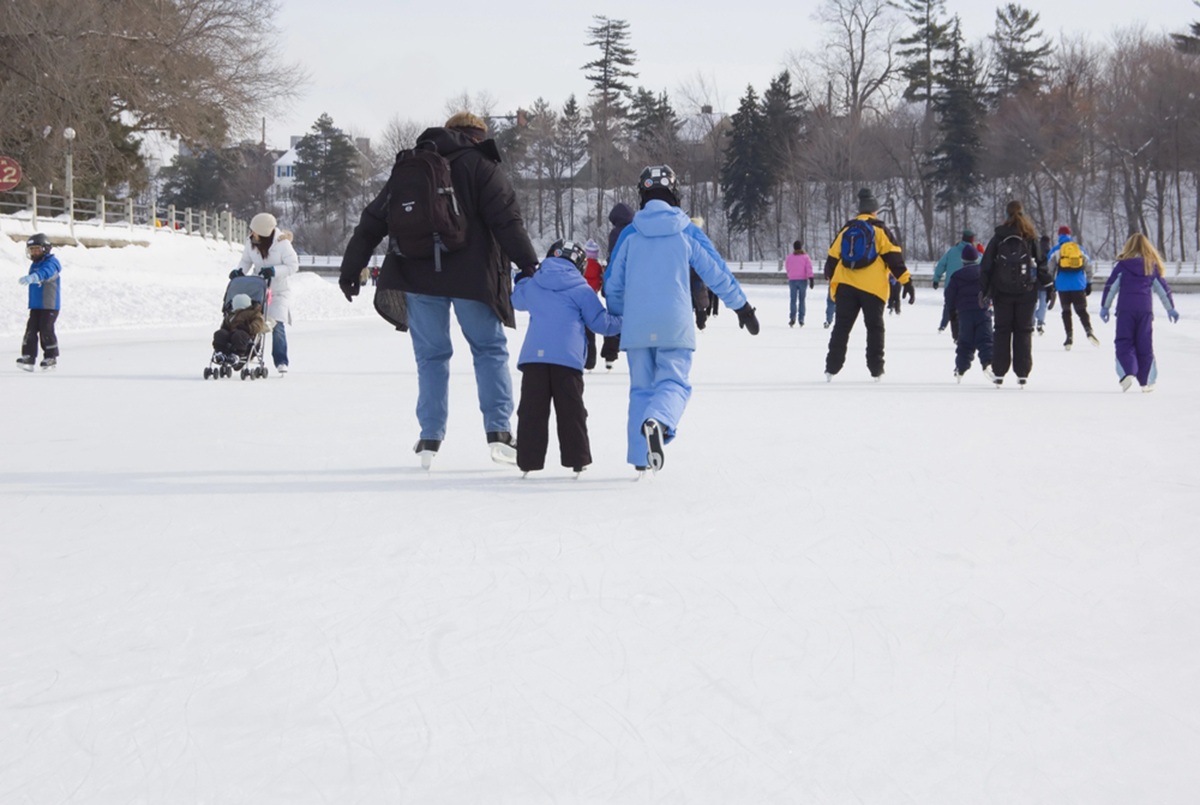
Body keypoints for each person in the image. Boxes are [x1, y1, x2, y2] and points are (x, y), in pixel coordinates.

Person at [338, 111, 540, 467]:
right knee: (489, 350)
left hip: (417, 275)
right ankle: (499, 433)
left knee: (431, 357)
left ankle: (429, 437)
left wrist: (351, 267)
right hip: (471, 278)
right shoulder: (481, 166)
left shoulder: (413, 165)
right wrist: (528, 264)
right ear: (478, 135)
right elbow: (506, 220)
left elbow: (372, 221)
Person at [605, 164, 760, 474]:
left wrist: (622, 314)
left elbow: (613, 284)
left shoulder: (629, 234)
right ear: (674, 193)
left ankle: (640, 459)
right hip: (673, 323)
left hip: (637, 326)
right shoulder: (687, 230)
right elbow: (716, 272)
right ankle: (659, 422)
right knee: (674, 382)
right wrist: (741, 306)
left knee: (640, 390)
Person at [512, 240, 622, 475]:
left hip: (534, 359)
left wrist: (521, 280)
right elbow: (601, 323)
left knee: (532, 411)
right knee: (571, 410)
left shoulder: (534, 285)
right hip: (567, 360)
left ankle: (528, 461)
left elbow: (517, 301)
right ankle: (577, 459)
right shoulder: (581, 290)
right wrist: (627, 319)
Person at [823, 187, 914, 381]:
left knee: (841, 328)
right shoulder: (880, 230)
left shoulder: (847, 229)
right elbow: (894, 259)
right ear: (874, 211)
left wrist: (830, 278)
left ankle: (831, 368)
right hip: (872, 289)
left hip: (846, 286)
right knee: (874, 328)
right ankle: (876, 370)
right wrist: (906, 281)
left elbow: (832, 257)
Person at [978, 200, 1053, 387]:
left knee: (1002, 331)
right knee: (1024, 330)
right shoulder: (1030, 237)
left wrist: (984, 290)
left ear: (1006, 213)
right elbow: (1042, 265)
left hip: (1001, 292)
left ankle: (999, 372)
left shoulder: (998, 237)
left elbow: (986, 265)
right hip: (1027, 292)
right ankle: (1022, 372)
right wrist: (1049, 286)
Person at [1098, 233, 1180, 392]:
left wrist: (1105, 307)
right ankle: (1147, 380)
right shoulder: (1151, 266)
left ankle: (1127, 372)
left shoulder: (1122, 266)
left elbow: (1111, 287)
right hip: (1145, 310)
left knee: (1124, 341)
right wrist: (1170, 308)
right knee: (1145, 344)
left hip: (1125, 310)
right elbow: (1163, 289)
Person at [230, 212, 299, 374]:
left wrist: (274, 270)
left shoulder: (282, 244)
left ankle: (281, 360)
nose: (252, 233)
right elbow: (246, 261)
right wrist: (239, 272)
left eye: (255, 231)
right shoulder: (251, 242)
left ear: (264, 233)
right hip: (258, 288)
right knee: (251, 320)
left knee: (276, 324)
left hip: (278, 292)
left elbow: (293, 266)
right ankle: (250, 351)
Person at [939, 244, 994, 383]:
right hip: (983, 312)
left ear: (963, 260)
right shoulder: (984, 273)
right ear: (977, 258)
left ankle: (960, 368)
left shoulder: (957, 276)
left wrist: (952, 312)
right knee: (986, 340)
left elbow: (949, 297)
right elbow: (992, 290)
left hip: (965, 314)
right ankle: (988, 363)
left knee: (965, 342)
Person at [15, 233, 62, 371]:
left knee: (46, 329)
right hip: (36, 305)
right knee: (31, 329)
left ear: (45, 249)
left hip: (49, 306)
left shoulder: (52, 263)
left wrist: (35, 277)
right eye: (32, 249)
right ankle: (28, 356)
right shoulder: (34, 264)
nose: (34, 252)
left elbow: (46, 272)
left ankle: (50, 357)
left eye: (37, 249)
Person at [1047, 225, 1098, 350]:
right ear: (1070, 235)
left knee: (1066, 312)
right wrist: (1089, 282)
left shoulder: (1055, 250)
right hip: (1078, 285)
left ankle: (1069, 337)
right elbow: (1089, 265)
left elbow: (1050, 269)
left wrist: (1052, 284)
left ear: (1059, 236)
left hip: (1063, 286)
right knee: (1081, 310)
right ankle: (1088, 330)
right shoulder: (1079, 249)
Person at [600, 202, 635, 371]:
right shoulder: (637, 231)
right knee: (634, 317)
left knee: (614, 317)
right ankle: (637, 353)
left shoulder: (614, 233)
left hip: (615, 278)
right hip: (634, 279)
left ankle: (610, 354)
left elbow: (612, 257)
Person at [932, 228, 977, 341]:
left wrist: (936, 279)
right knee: (965, 310)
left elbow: (941, 265)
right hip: (968, 287)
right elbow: (983, 265)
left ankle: (953, 333)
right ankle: (966, 333)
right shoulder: (973, 253)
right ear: (972, 240)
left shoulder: (952, 251)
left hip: (951, 285)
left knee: (950, 308)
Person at [212, 293, 270, 364]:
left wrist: (248, 328)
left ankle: (236, 354)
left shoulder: (254, 314)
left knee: (238, 335)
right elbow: (226, 324)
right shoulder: (232, 315)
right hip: (231, 336)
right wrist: (224, 328)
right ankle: (220, 352)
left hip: (246, 337)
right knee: (220, 334)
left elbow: (258, 325)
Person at [582, 239, 604, 370]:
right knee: (591, 333)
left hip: (579, 300)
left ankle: (580, 357)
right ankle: (591, 362)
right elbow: (600, 282)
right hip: (593, 300)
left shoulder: (581, 266)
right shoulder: (598, 267)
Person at [784, 240, 814, 327]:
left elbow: (787, 267)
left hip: (792, 280)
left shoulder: (789, 257)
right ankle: (801, 318)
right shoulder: (805, 257)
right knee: (802, 300)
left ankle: (792, 317)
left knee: (793, 300)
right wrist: (811, 278)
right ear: (801, 247)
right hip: (802, 280)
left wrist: (790, 274)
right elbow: (809, 268)